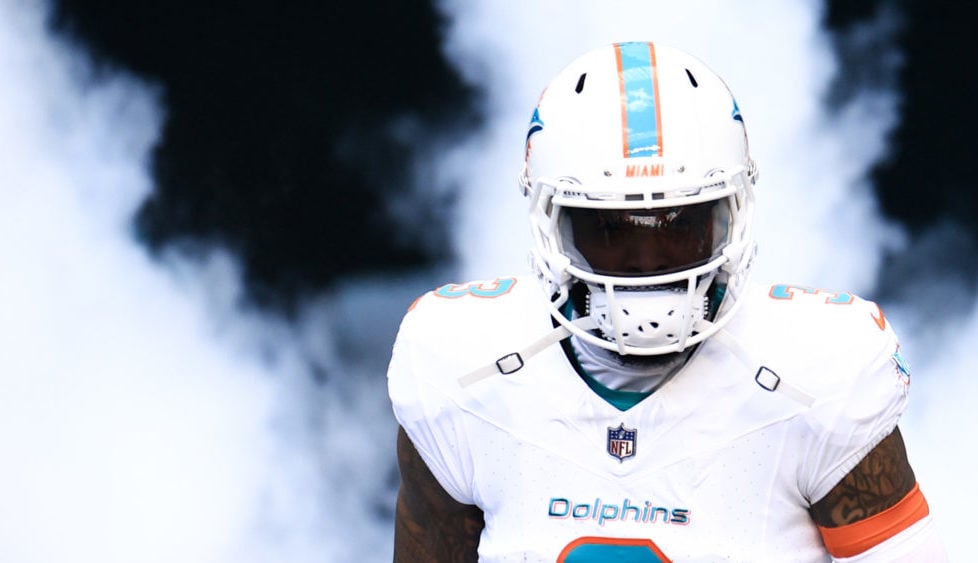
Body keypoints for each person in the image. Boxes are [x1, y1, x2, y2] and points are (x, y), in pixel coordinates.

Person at [388, 41, 948, 562]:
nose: (646, 259)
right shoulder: (461, 368)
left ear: (730, 217)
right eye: (610, 228)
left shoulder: (818, 375)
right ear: (551, 222)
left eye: (679, 224)